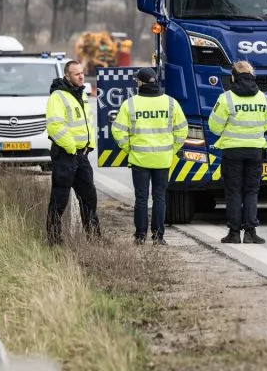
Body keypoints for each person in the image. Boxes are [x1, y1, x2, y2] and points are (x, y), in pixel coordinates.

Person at [111, 67, 188, 245]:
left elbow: (118, 131)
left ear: (140, 82)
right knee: (160, 197)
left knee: (141, 198)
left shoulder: (130, 104)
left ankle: (140, 236)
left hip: (139, 159)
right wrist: (172, 148)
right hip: (162, 159)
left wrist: (128, 149)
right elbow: (182, 130)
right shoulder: (171, 103)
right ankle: (158, 236)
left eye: (137, 80)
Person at [208, 60, 267, 244]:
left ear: (233, 77)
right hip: (255, 150)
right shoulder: (263, 98)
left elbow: (214, 126)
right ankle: (251, 232)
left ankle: (234, 233)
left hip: (232, 150)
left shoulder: (226, 98)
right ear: (253, 76)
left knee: (234, 191)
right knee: (251, 191)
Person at [44, 60, 100, 246]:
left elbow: (88, 123)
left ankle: (94, 237)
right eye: (77, 74)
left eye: (82, 73)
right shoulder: (58, 96)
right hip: (65, 155)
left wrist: (89, 145)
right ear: (67, 76)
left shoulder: (80, 94)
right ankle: (53, 239)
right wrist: (71, 148)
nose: (81, 76)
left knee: (89, 198)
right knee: (60, 199)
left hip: (80, 155)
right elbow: (55, 126)